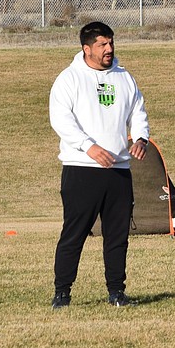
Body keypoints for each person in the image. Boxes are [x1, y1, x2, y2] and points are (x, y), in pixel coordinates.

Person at [49, 22, 150, 309]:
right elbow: (60, 119)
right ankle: (62, 293)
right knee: (75, 233)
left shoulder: (124, 77)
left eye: (111, 43)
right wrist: (88, 147)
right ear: (86, 48)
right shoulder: (69, 79)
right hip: (81, 168)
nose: (109, 49)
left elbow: (138, 111)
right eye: (102, 44)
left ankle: (117, 292)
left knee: (117, 236)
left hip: (118, 170)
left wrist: (140, 138)